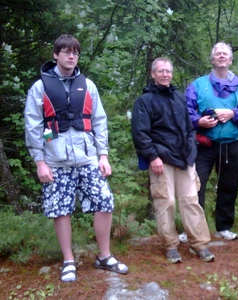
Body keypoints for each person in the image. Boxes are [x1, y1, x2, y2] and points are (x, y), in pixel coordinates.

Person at [24, 34, 128, 283]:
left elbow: (99, 121)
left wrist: (103, 155)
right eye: (66, 52)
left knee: (104, 200)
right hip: (55, 159)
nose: (72, 56)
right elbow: (33, 125)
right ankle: (68, 261)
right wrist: (40, 161)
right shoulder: (40, 87)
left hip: (88, 158)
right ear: (56, 55)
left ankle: (104, 256)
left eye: (75, 52)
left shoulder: (88, 85)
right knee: (61, 210)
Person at [131, 57, 215, 263]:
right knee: (165, 202)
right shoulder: (145, 101)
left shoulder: (179, 98)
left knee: (191, 201)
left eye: (168, 71)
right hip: (161, 159)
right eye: (161, 71)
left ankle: (200, 244)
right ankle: (170, 246)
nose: (165, 74)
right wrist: (152, 156)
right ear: (153, 74)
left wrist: (191, 152)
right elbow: (140, 133)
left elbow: (189, 128)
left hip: (184, 158)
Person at [183, 42, 238, 242]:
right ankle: (194, 229)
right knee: (196, 186)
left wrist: (233, 113)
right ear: (212, 59)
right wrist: (199, 121)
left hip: (230, 144)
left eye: (225, 54)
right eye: (218, 54)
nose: (222, 57)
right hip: (204, 144)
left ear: (230, 60)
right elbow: (187, 110)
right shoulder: (198, 85)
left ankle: (224, 227)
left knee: (228, 187)